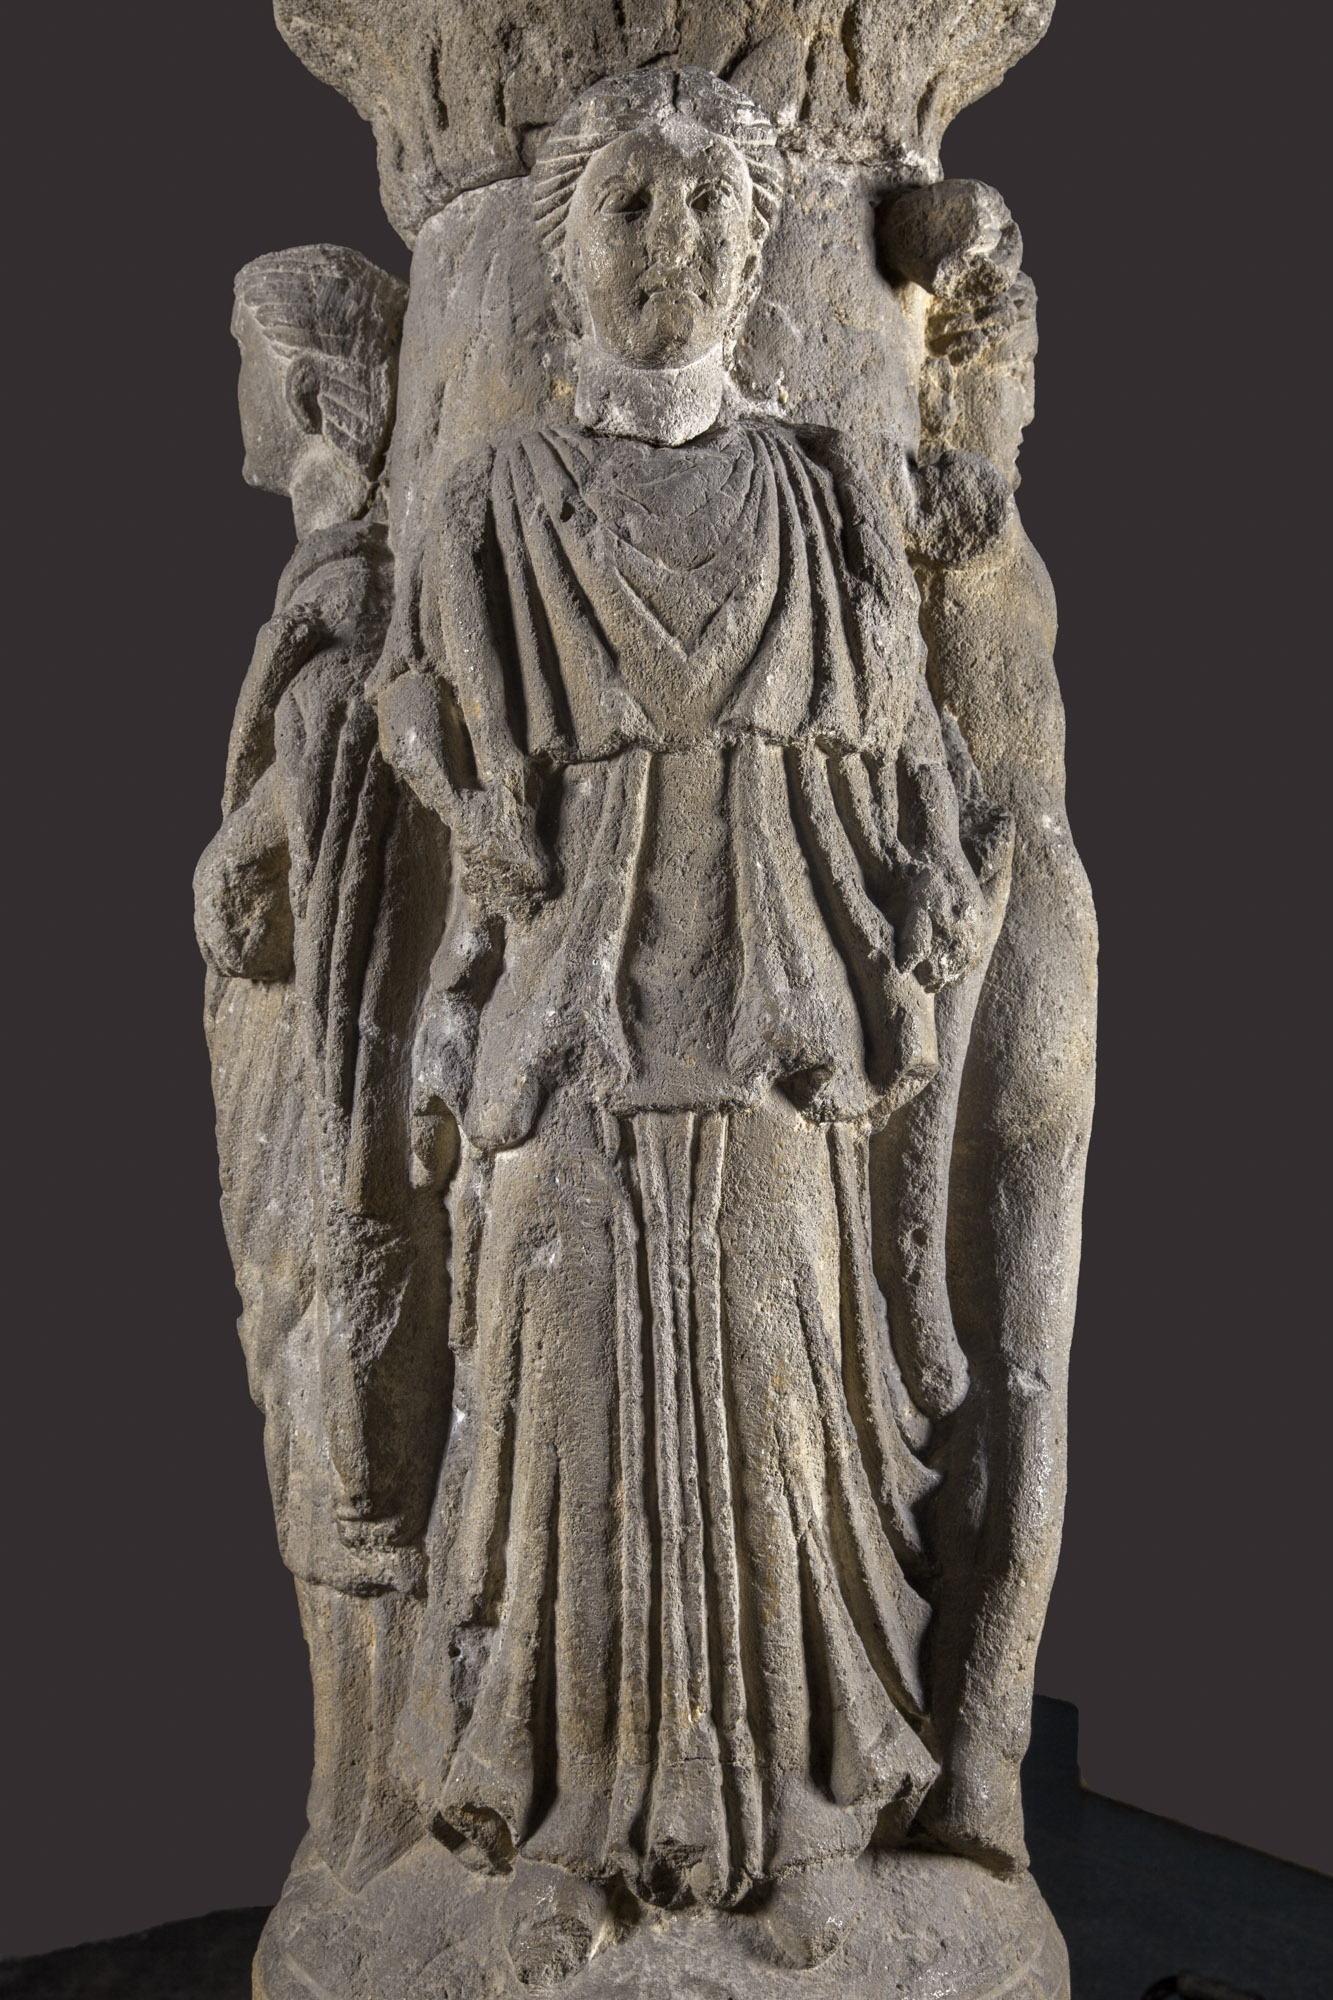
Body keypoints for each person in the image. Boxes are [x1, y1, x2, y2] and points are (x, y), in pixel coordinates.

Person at [371, 69, 1009, 1976]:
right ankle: (562, 1830)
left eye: (719, 209)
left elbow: (898, 739)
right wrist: (474, 824)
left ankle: (805, 1828)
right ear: (564, 249)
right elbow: (427, 718)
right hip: (569, 1025)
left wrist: (923, 890)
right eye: (634, 209)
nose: (682, 245)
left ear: (760, 247)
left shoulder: (823, 486)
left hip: (776, 1020)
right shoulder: (496, 500)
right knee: (560, 1416)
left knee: (774, 1409)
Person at [196, 243, 450, 1889]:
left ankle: (371, 1809)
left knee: (336, 1425)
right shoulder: (341, 593)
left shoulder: (353, 604)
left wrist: (232, 864)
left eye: (245, 359)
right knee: (309, 1412)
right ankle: (358, 1800)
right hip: (295, 1091)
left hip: (324, 1105)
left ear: (305, 391)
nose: (234, 392)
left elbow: (329, 897)